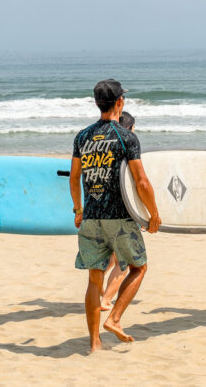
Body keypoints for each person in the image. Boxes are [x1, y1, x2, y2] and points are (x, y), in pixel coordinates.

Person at [69, 80, 161, 353]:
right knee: (139, 267)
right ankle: (115, 318)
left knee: (94, 280)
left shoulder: (82, 136)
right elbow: (141, 180)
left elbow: (75, 178)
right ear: (119, 102)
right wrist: (153, 214)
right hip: (119, 218)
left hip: (90, 218)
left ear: (97, 103)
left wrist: (78, 209)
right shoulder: (126, 137)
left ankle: (94, 343)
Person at [100, 110, 135, 311]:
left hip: (101, 209)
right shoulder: (127, 149)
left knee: (112, 256)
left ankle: (98, 292)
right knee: (124, 262)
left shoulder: (104, 148)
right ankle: (106, 300)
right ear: (128, 128)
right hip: (120, 211)